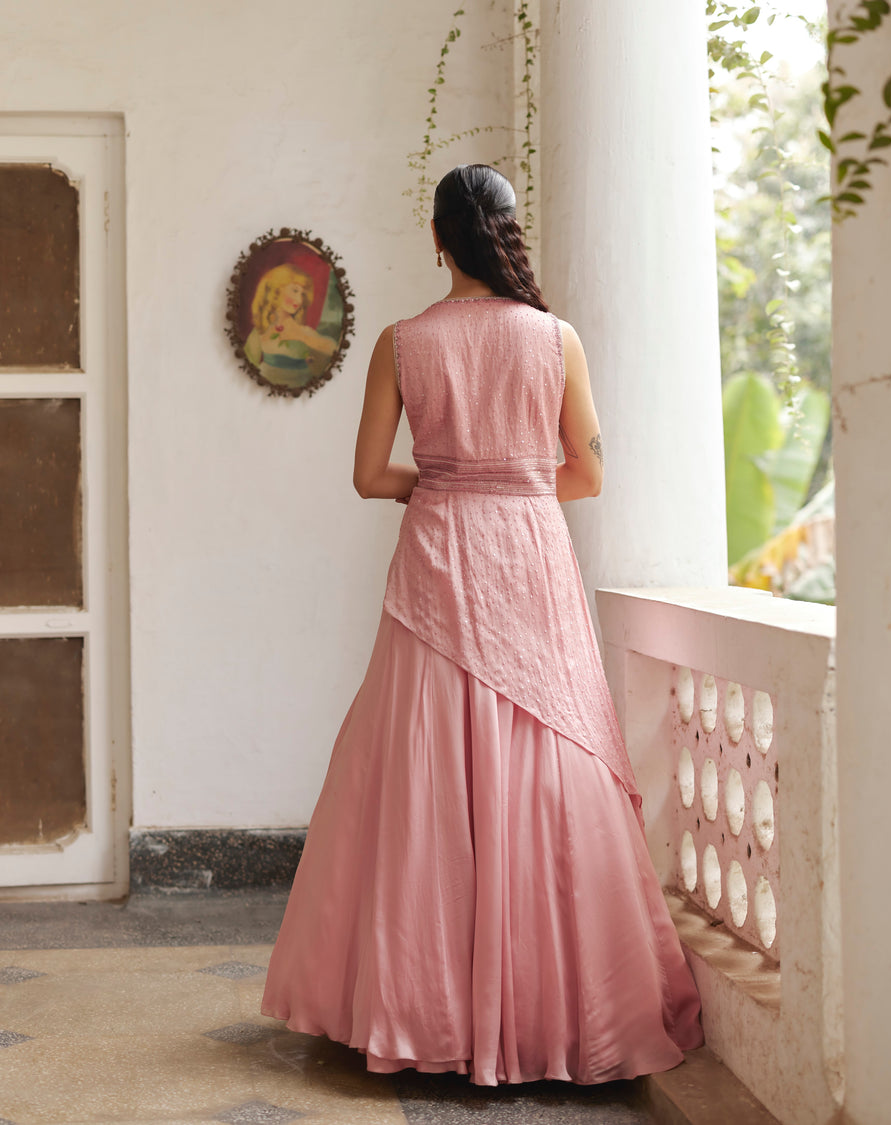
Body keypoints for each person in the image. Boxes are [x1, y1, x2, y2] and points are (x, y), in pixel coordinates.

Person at [261, 164, 703, 1085]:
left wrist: (446, 484)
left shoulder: (400, 341)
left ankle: (421, 1006)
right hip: (531, 558)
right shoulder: (556, 340)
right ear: (508, 234)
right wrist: (514, 487)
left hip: (436, 560)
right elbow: (585, 474)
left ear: (436, 239)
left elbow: (369, 476)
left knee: (424, 773)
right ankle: (553, 1009)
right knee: (545, 761)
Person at [244, 264, 337, 388]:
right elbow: (246, 366)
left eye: (302, 294)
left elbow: (333, 350)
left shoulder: (303, 331)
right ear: (277, 290)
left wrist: (302, 338)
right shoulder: (260, 331)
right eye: (295, 290)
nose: (299, 300)